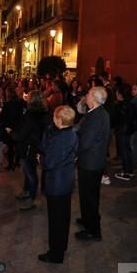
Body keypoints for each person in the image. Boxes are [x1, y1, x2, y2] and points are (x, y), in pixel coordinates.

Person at [38, 105, 79, 264]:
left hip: (57, 184)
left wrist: (40, 159)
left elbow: (49, 163)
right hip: (66, 180)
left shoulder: (60, 139)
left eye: (54, 116)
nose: (52, 119)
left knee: (56, 221)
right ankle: (61, 247)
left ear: (59, 120)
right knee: (63, 218)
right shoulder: (72, 133)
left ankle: (56, 254)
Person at [75, 86, 110, 241]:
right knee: (86, 194)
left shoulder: (96, 116)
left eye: (88, 94)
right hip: (93, 161)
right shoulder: (97, 113)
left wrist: (73, 150)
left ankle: (93, 230)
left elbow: (85, 142)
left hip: (91, 162)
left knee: (90, 196)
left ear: (94, 99)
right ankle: (87, 219)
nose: (86, 96)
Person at [8, 90, 51, 211]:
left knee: (31, 173)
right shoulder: (45, 112)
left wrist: (11, 132)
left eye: (28, 97)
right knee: (29, 171)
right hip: (37, 147)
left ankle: (31, 198)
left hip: (29, 147)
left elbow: (22, 134)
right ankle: (27, 192)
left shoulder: (31, 114)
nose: (26, 98)